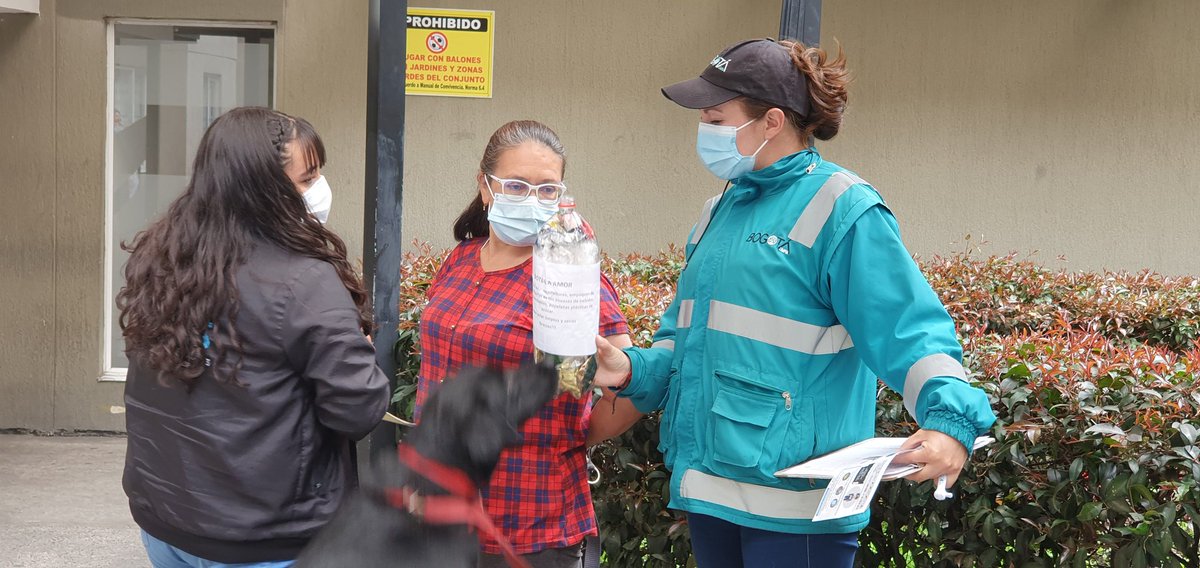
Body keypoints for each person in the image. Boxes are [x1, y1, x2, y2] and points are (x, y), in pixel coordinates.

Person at [591, 39, 998, 567]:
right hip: (713, 488)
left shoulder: (843, 207)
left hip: (799, 506)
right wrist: (629, 368)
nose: (704, 130)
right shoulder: (719, 210)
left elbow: (908, 330)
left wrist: (950, 422)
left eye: (716, 117)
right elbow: (686, 342)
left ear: (771, 122)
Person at [119, 107, 389, 568]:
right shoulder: (304, 280)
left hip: (165, 522)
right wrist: (359, 360)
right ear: (257, 188)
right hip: (266, 540)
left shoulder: (160, 259)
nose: (318, 191)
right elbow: (357, 407)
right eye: (306, 179)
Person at [414, 120, 642, 568]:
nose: (533, 200)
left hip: (530, 519)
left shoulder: (569, 274)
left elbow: (630, 385)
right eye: (516, 186)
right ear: (485, 186)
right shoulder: (460, 260)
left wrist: (572, 441)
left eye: (547, 190)